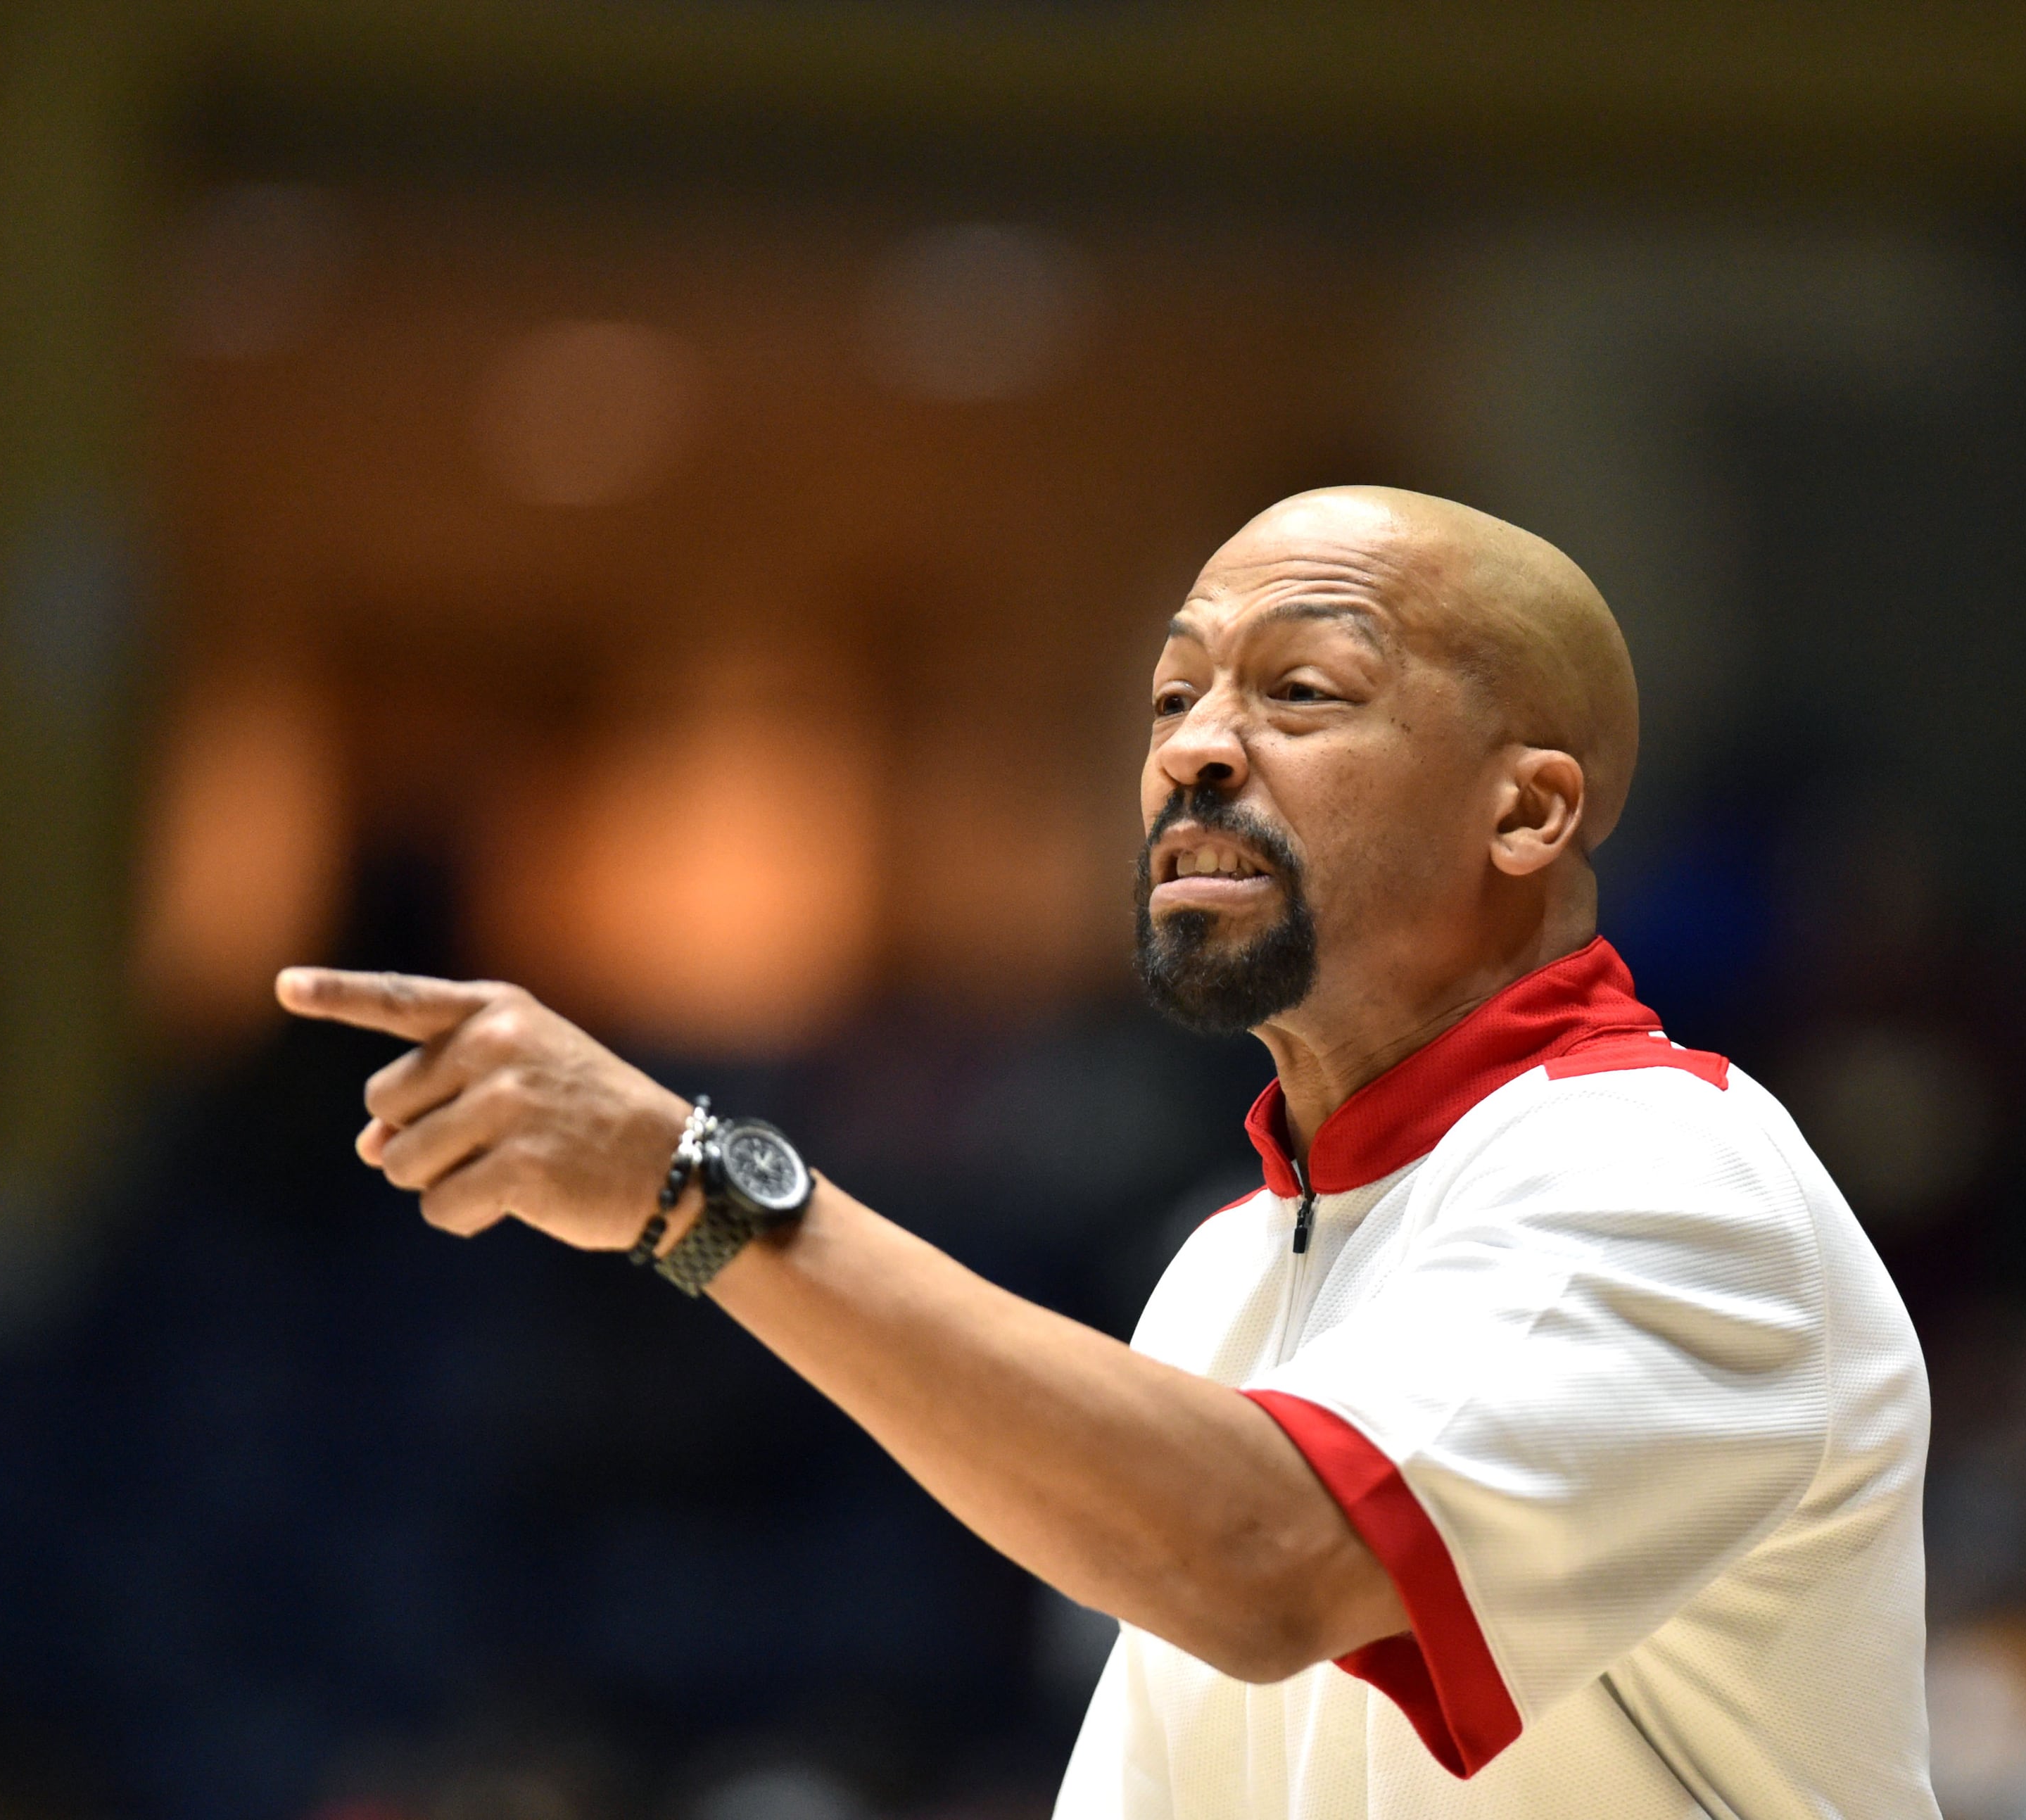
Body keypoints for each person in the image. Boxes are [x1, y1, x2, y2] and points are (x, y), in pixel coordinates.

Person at [279, 487, 1939, 1818]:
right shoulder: (1224, 1269)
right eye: (1174, 693)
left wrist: (697, 1189)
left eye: (1300, 690)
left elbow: (1271, 1560)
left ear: (1529, 814)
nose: (1197, 749)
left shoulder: (1660, 1176)